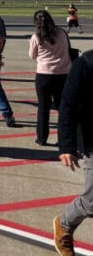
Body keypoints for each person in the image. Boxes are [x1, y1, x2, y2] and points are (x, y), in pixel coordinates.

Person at [53, 49, 93, 255]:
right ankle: (65, 225)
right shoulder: (85, 63)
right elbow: (67, 105)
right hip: (91, 139)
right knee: (92, 200)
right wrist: (66, 146)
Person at [29, 10, 72, 146]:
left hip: (44, 75)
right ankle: (64, 138)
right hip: (63, 74)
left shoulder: (36, 37)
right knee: (63, 108)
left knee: (43, 108)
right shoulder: (62, 33)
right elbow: (69, 49)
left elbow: (32, 55)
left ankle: (42, 138)